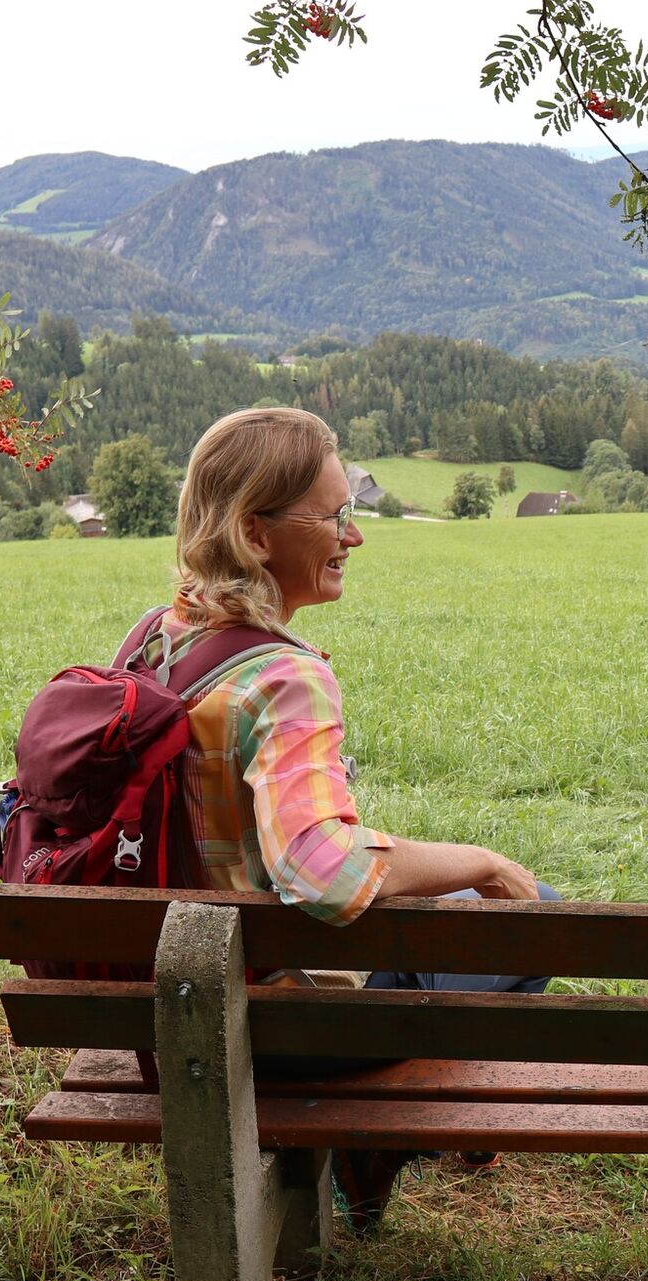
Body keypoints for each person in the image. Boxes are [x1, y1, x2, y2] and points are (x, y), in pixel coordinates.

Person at [129, 406, 551, 1226]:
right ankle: (380, 1142)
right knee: (533, 916)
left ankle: (378, 1145)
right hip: (272, 1026)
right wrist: (481, 862)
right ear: (255, 534)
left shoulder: (158, 639)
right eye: (334, 517)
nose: (354, 536)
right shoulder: (284, 679)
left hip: (168, 1005)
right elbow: (325, 873)